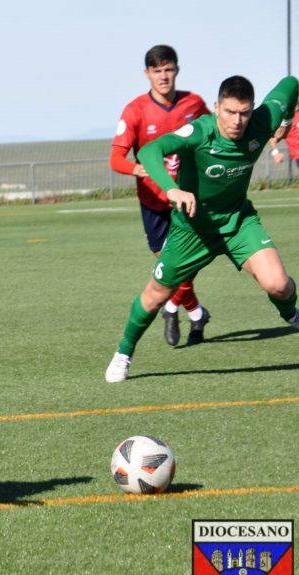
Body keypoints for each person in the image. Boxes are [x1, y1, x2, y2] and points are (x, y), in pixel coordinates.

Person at [105, 75, 299, 383]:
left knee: (279, 285)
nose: (237, 121)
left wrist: (286, 119)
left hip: (237, 222)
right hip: (191, 230)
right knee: (156, 295)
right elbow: (150, 151)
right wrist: (172, 190)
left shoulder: (262, 120)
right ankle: (123, 354)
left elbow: (290, 83)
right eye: (230, 112)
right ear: (217, 107)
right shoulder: (199, 131)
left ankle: (290, 314)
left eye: (244, 112)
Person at [110, 45, 211, 346]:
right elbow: (116, 159)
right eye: (157, 71)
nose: (163, 76)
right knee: (167, 267)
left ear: (177, 70)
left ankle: (170, 307)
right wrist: (139, 169)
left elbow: (211, 136)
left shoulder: (194, 104)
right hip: (153, 202)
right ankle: (195, 312)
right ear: (147, 74)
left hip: (187, 199)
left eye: (168, 69)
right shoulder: (135, 110)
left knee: (184, 264)